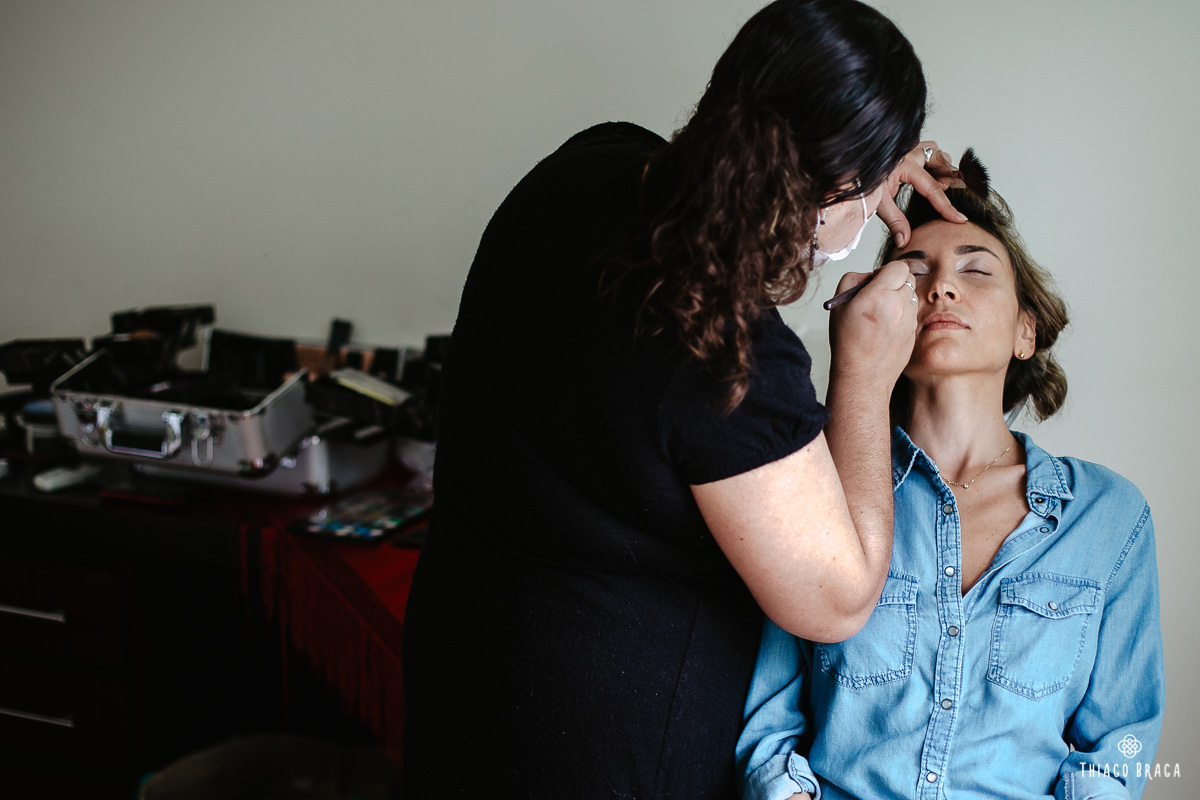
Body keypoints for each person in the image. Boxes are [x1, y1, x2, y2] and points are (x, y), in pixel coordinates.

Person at [402, 1, 967, 796]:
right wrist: (864, 380)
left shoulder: (591, 164)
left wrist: (857, 161)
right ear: (839, 184)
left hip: (459, 670)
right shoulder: (729, 347)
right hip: (593, 743)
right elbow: (836, 601)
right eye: (868, 192)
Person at [736, 175, 1165, 800]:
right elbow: (768, 727)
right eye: (913, 271)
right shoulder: (819, 489)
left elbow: (1120, 747)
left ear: (1027, 331)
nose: (939, 286)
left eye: (977, 270)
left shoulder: (1109, 517)